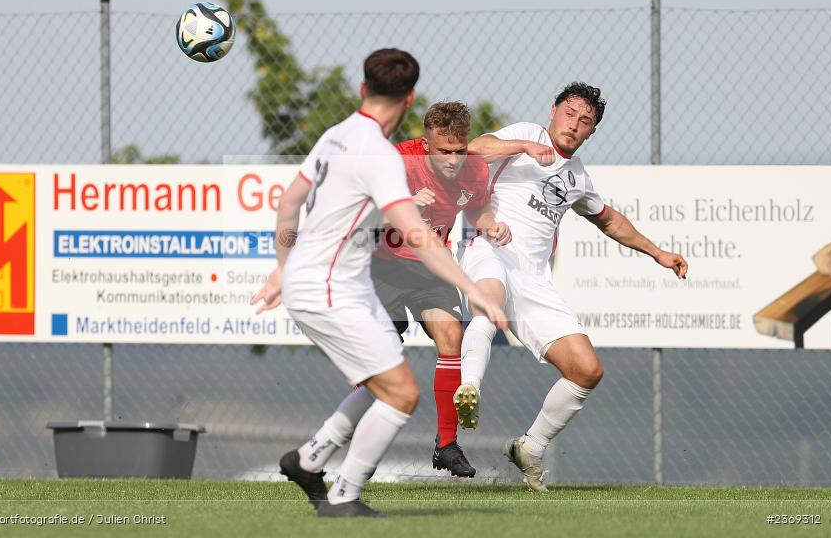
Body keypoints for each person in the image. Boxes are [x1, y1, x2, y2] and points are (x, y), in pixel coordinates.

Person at [251, 48, 507, 517]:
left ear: (363, 89)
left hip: (324, 282)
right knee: (402, 393)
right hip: (332, 288)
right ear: (410, 101)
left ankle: (308, 460)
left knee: (382, 377)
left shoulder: (335, 136)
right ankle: (344, 495)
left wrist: (282, 268)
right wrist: (474, 291)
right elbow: (417, 237)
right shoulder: (381, 155)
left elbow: (289, 205)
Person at [455, 82, 689, 491]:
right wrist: (523, 148)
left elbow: (609, 220)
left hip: (533, 277)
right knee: (490, 306)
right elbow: (474, 149)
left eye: (585, 121)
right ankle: (470, 388)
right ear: (553, 110)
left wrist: (658, 253)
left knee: (586, 370)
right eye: (570, 114)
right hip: (489, 249)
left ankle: (529, 447)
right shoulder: (528, 134)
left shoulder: (577, 177)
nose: (575, 124)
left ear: (592, 132)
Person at [371, 101, 511, 478]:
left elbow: (477, 211)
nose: (452, 159)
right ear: (426, 142)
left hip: (432, 268)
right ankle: (356, 447)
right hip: (387, 267)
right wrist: (401, 207)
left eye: (459, 150)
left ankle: (447, 445)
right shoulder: (398, 161)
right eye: (442, 151)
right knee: (378, 359)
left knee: (452, 336)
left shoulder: (475, 171)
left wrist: (491, 225)